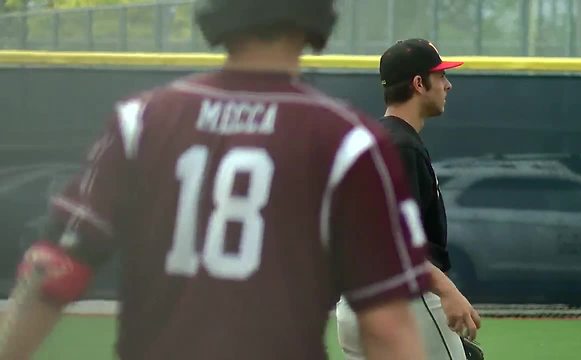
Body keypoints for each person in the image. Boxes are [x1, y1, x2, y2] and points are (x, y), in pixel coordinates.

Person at [0, 2, 433, 360]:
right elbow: (387, 328)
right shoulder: (349, 140)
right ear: (316, 17)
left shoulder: (142, 120)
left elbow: (54, 271)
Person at [336, 39, 482, 360]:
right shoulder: (401, 147)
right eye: (440, 76)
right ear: (419, 84)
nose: (448, 85)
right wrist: (448, 291)